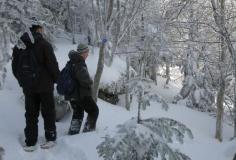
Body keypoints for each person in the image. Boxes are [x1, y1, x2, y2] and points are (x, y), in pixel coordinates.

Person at [12, 23, 60, 151]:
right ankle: (50, 138)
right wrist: (56, 79)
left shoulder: (19, 45)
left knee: (31, 114)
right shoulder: (44, 44)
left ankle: (30, 142)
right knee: (48, 112)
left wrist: (22, 82)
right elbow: (52, 65)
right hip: (45, 86)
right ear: (38, 29)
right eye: (41, 29)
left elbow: (15, 67)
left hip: (29, 87)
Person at [65, 44, 99, 135]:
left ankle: (73, 134)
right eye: (87, 52)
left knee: (78, 112)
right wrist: (90, 81)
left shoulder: (71, 61)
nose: (88, 54)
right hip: (82, 94)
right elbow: (83, 79)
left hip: (72, 94)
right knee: (94, 110)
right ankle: (88, 134)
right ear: (83, 52)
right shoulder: (79, 62)